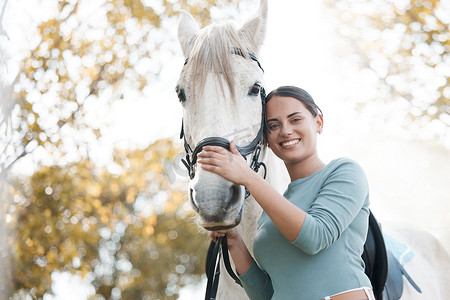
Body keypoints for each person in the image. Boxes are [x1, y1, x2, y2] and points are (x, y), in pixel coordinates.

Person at [197, 86, 375, 300]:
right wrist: (234, 240)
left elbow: (315, 237)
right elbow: (266, 295)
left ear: (318, 122)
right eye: (274, 125)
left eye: (295, 119)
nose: (286, 130)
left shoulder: (345, 171)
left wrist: (247, 177)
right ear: (267, 141)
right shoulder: (270, 215)